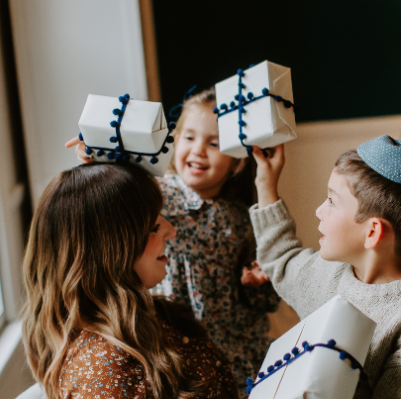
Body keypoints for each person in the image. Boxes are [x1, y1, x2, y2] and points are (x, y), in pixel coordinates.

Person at [66, 88, 280, 396]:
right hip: (172, 342)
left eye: (215, 143)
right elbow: (112, 195)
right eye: (189, 138)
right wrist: (95, 158)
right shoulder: (156, 194)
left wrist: (256, 284)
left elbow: (264, 300)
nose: (198, 150)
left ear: (237, 163)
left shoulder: (242, 219)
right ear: (174, 141)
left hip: (235, 346)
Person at [241, 136, 401, 398]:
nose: (319, 210)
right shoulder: (329, 273)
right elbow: (282, 259)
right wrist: (265, 183)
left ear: (372, 231)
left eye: (332, 201)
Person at [21, 163, 237, 399]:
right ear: (110, 255)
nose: (171, 230)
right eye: (154, 227)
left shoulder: (146, 314)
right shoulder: (104, 377)